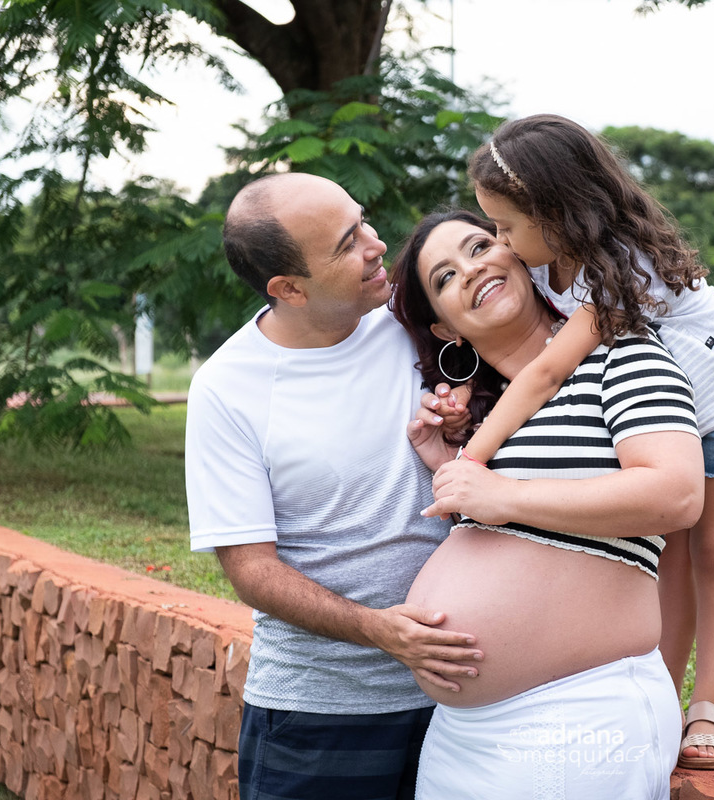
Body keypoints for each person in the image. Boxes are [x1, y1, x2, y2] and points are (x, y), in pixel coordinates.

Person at [456, 113, 714, 770]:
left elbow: (547, 372)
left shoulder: (622, 268)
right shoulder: (549, 261)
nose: (499, 242)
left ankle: (707, 708)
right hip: (667, 413)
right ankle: (661, 697)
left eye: (505, 227)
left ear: (555, 213)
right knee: (669, 555)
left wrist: (473, 458)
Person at [184, 173, 484, 800]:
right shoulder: (227, 388)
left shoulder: (415, 317)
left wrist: (462, 422)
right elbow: (251, 570)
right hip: (320, 714)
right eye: (348, 244)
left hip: (465, 699)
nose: (377, 245)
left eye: (363, 220)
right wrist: (380, 630)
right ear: (288, 289)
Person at [389, 209, 705, 798]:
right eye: (445, 276)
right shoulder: (486, 422)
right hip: (460, 734)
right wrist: (448, 465)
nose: (471, 269)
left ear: (518, 254)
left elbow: (677, 494)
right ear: (445, 329)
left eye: (480, 246)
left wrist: (504, 494)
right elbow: (529, 537)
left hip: (577, 717)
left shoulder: (619, 352)